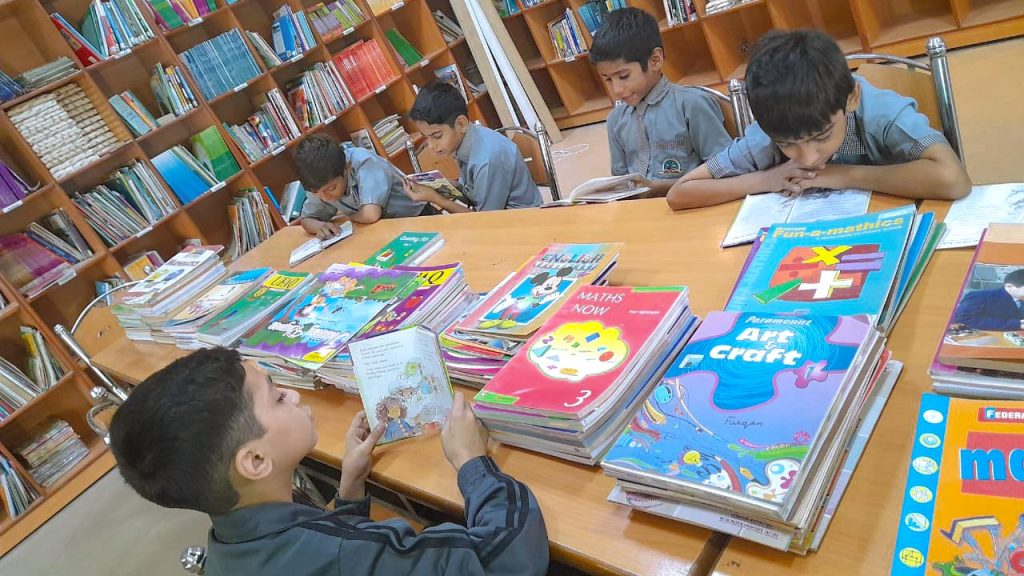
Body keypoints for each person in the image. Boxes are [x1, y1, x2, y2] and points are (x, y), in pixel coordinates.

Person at [108, 348, 549, 576]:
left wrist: (350, 490)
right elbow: (505, 562)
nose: (293, 394)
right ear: (256, 460)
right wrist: (472, 461)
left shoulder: (228, 545)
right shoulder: (348, 554)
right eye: (277, 397)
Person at [666, 29, 972, 210]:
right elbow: (680, 192)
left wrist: (843, 175)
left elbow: (954, 179)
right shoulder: (771, 130)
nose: (808, 157)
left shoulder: (880, 113)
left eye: (822, 136)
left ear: (851, 98)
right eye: (788, 144)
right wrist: (765, 180)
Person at [590, 7, 732, 196]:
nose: (616, 90)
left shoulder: (691, 105)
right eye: (608, 79)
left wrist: (657, 187)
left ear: (655, 60)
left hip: (694, 204)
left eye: (623, 76)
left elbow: (725, 169)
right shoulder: (615, 120)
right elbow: (621, 180)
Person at [405, 82, 541, 213]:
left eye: (437, 136)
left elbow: (484, 220)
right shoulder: (470, 139)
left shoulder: (487, 160)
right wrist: (443, 186)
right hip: (500, 216)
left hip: (523, 220)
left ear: (461, 124)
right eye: (426, 137)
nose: (431, 145)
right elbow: (474, 193)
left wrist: (438, 200)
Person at [294, 134, 436, 239]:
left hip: (419, 218)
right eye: (316, 193)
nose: (325, 198)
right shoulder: (317, 181)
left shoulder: (365, 162)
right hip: (381, 231)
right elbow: (307, 220)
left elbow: (370, 215)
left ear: (347, 168)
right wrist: (322, 227)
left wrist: (346, 220)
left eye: (332, 188)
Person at [954, 269, 1024, 331]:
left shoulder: (1020, 298)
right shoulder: (979, 297)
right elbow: (963, 320)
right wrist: (1016, 324)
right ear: (1009, 287)